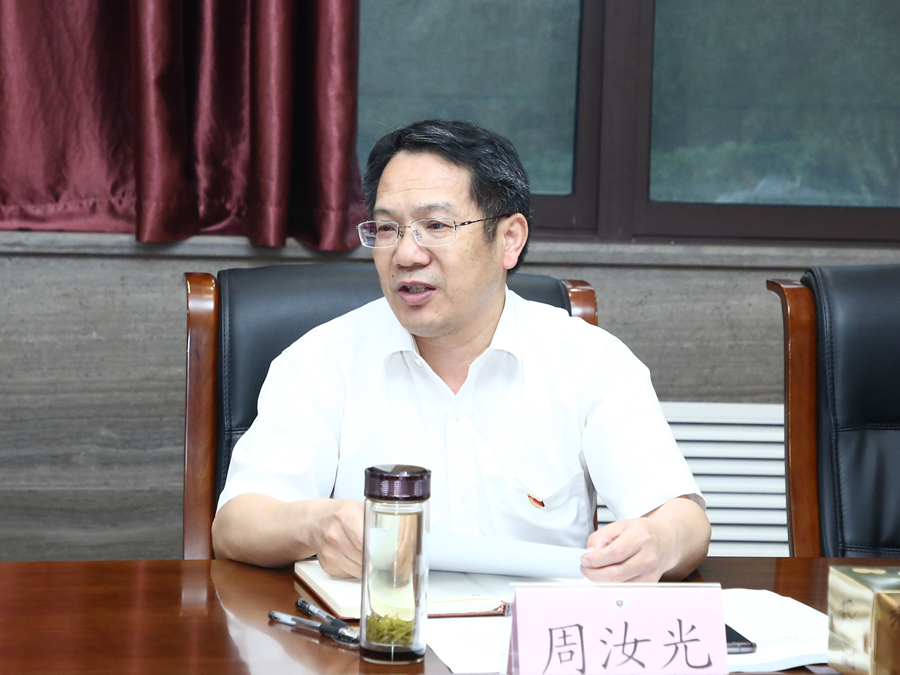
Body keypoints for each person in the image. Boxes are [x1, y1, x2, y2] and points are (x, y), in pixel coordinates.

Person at [211, 120, 710, 583]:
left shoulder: (588, 360)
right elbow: (237, 524)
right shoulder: (321, 361)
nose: (406, 254)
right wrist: (317, 525)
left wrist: (657, 541)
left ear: (509, 239)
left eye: (436, 225)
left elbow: (682, 521)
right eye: (387, 229)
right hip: (382, 631)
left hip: (535, 634)